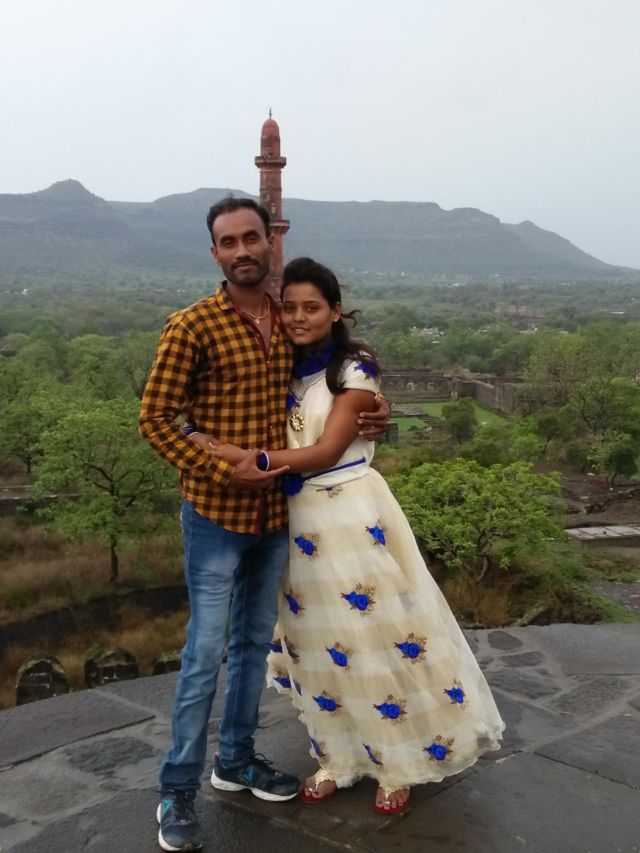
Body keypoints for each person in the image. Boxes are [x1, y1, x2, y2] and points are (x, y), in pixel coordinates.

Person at [198, 257, 505, 816]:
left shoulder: (355, 370)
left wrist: (245, 457)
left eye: (312, 307)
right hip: (295, 522)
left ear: (336, 311)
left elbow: (326, 450)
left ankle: (398, 762)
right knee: (317, 644)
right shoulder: (282, 366)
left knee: (376, 639)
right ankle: (337, 758)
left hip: (348, 515)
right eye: (289, 307)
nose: (299, 317)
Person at [139, 199, 389, 852]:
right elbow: (155, 419)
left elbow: (337, 380)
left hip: (276, 514)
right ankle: (176, 788)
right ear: (215, 253)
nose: (243, 249)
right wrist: (225, 468)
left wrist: (375, 408)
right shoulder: (192, 326)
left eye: (252, 237)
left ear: (268, 243)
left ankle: (236, 759)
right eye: (229, 241)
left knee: (253, 645)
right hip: (216, 515)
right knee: (204, 654)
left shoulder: (288, 321)